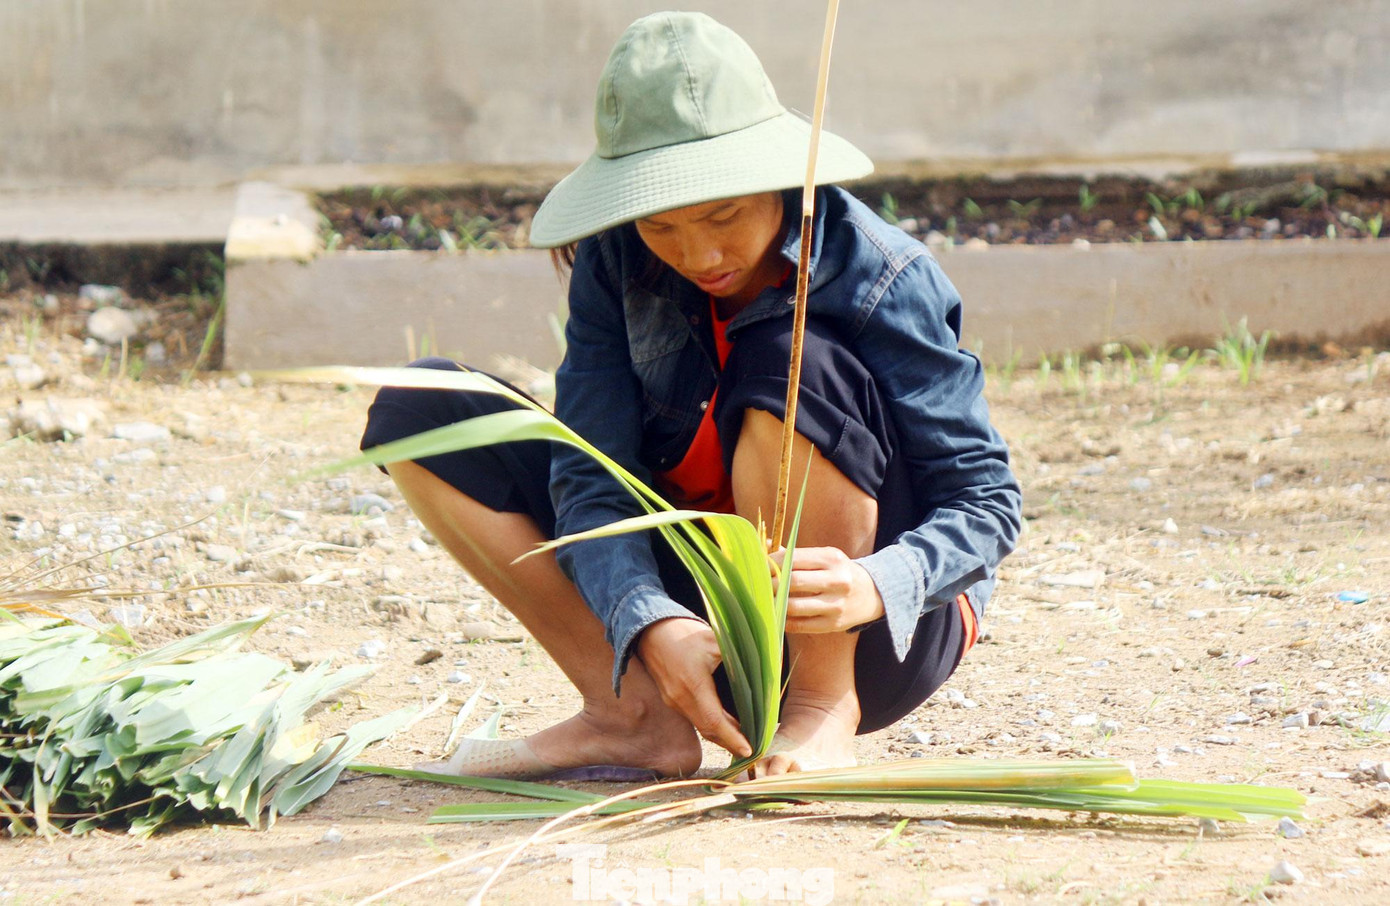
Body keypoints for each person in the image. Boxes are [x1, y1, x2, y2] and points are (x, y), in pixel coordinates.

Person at [361, 11, 1021, 779]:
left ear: (777, 179)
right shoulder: (612, 263)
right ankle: (632, 714)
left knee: (792, 358)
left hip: (869, 630)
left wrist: (876, 584)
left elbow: (987, 503)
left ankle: (817, 709)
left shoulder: (882, 275)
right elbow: (589, 475)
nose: (698, 254)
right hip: (695, 632)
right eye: (661, 225)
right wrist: (648, 619)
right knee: (422, 408)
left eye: (723, 215)